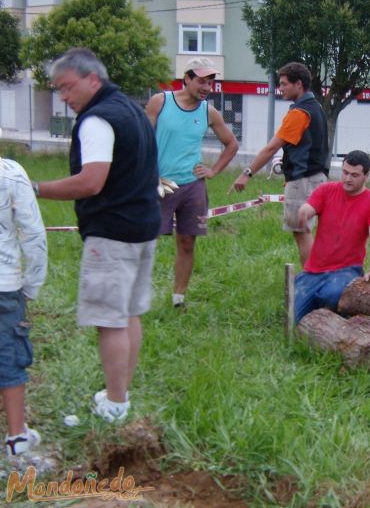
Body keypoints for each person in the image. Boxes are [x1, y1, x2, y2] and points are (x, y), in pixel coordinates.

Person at [34, 48, 160, 423]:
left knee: (110, 319)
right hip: (142, 226)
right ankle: (119, 393)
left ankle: (116, 403)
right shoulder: (132, 110)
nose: (63, 97)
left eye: (67, 87)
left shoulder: (96, 120)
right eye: (58, 90)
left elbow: (91, 181)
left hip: (112, 232)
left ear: (93, 79)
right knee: (129, 312)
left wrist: (35, 188)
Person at [146, 57, 240, 308]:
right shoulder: (160, 102)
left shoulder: (209, 112)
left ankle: (179, 298)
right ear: (186, 79)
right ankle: (136, 296)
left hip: (192, 186)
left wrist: (213, 171)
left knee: (187, 242)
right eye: (201, 81)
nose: (206, 87)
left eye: (210, 82)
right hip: (160, 183)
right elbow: (141, 139)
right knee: (145, 240)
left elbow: (232, 144)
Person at [229, 62, 329, 267]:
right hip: (318, 178)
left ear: (298, 84)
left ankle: (311, 281)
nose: (280, 88)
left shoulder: (299, 113)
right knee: (309, 233)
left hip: (302, 181)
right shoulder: (316, 107)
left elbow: (270, 148)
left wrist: (246, 173)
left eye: (284, 84)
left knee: (302, 233)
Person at [294, 150, 370, 323]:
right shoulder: (326, 190)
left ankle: (332, 319)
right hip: (314, 269)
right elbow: (310, 207)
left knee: (331, 295)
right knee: (293, 319)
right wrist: (303, 212)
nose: (347, 179)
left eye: (354, 175)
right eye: (344, 172)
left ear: (366, 176)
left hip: (347, 271)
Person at [0, 157, 47, 456]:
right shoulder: (11, 173)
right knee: (10, 357)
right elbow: (34, 235)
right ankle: (17, 438)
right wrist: (31, 285)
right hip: (4, 284)